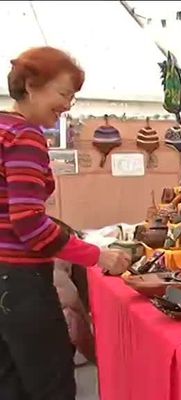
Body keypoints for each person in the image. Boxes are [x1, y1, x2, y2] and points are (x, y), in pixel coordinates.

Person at [0, 47, 131, 400]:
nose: (67, 105)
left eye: (72, 97)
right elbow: (29, 224)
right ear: (31, 85)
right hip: (22, 283)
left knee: (10, 384)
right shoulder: (24, 135)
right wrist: (96, 255)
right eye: (63, 94)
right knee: (51, 386)